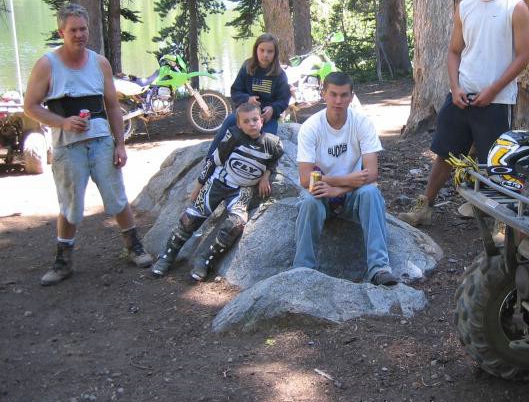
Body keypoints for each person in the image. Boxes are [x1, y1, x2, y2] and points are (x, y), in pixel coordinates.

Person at [399, 0, 529, 226]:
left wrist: (494, 90)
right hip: (462, 94)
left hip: (496, 100)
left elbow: (523, 56)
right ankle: (425, 206)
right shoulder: (465, 7)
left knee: (496, 162)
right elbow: (454, 51)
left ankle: (501, 222)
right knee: (445, 153)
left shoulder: (514, 6)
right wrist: (455, 86)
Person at [23, 3, 153, 286]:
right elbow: (31, 106)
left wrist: (120, 144)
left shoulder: (99, 63)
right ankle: (63, 260)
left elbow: (112, 107)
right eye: (73, 30)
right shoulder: (48, 64)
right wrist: (63, 122)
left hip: (102, 142)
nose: (79, 35)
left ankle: (134, 247)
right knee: (70, 205)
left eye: (83, 29)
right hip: (68, 146)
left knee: (117, 197)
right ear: (62, 31)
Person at [151, 102, 283, 281]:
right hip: (219, 182)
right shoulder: (233, 137)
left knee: (236, 223)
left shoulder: (272, 143)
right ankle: (167, 255)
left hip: (243, 190)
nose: (252, 124)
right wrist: (199, 185)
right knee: (191, 218)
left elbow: (274, 160)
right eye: (246, 121)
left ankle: (206, 260)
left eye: (255, 119)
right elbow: (213, 161)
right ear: (239, 124)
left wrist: (266, 175)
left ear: (261, 120)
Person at [292, 72, 398, 286]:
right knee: (309, 201)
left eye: (343, 95)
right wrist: (347, 180)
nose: (338, 101)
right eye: (333, 94)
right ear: (324, 95)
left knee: (371, 193)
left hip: (352, 195)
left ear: (352, 96)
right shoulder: (311, 127)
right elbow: (305, 179)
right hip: (322, 194)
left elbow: (371, 173)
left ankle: (379, 268)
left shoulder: (362, 123)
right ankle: (303, 270)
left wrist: (337, 189)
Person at [205, 33, 290, 157]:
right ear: (256, 50)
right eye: (262, 50)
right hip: (245, 115)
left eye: (270, 51)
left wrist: (273, 109)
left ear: (275, 54)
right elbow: (235, 91)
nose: (265, 54)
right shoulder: (247, 66)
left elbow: (283, 100)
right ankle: (210, 158)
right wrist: (247, 99)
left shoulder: (280, 74)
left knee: (268, 141)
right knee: (229, 121)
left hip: (266, 119)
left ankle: (263, 171)